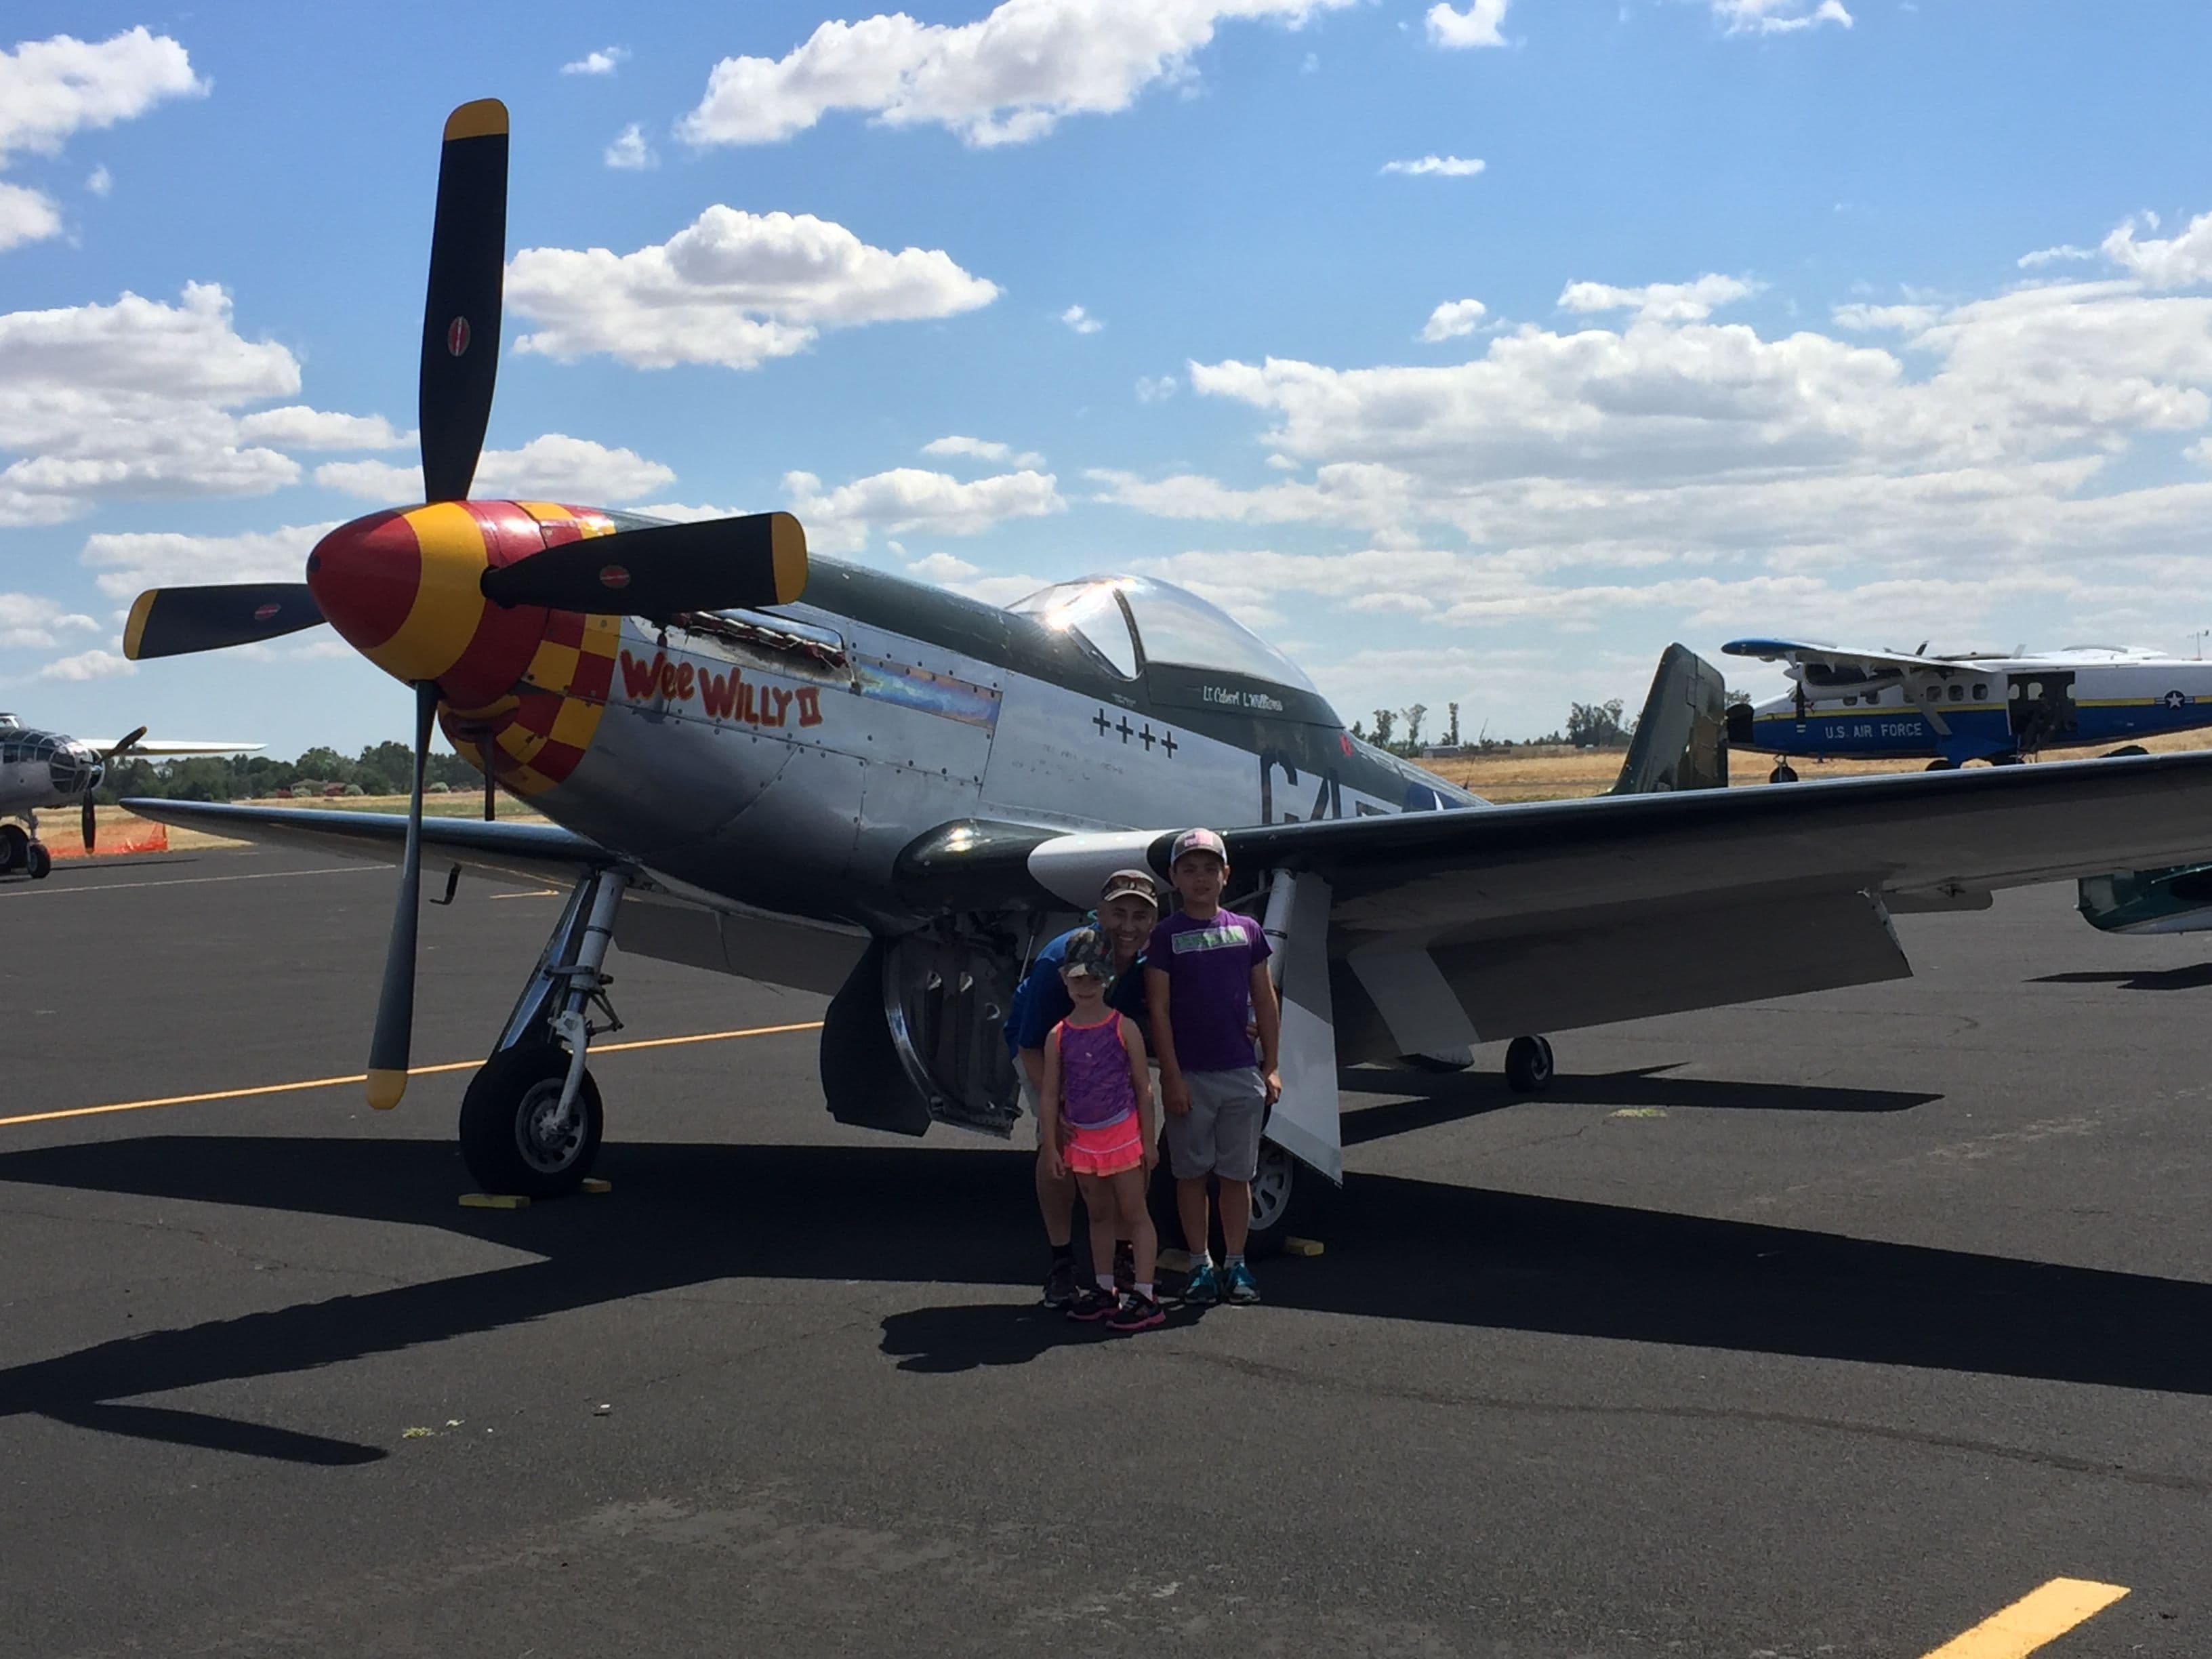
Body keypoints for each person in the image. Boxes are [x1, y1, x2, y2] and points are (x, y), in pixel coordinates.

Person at [1007, 869, 1161, 1306]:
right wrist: (1056, 1112)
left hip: (1109, 1045)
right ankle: (1061, 1260)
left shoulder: (1149, 962)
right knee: (1060, 1146)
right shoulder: (1061, 960)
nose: (1128, 926)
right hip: (1049, 1048)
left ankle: (1121, 1254)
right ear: (1099, 913)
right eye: (1118, 913)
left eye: (1140, 916)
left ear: (1152, 923)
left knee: (1125, 1146)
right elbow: (1031, 1044)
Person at [1145, 828, 1280, 1307]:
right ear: (1173, 878)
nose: (1200, 878)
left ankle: (1236, 1261)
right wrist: (1171, 1074)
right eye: (1189, 869)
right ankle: (1201, 1261)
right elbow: (1158, 1009)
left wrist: (1272, 1066)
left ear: (1225, 875)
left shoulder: (1247, 930)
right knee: (1191, 1175)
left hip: (1241, 1072)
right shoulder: (1165, 936)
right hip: (1192, 1077)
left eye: (1209, 869)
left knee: (1237, 1175)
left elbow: (1264, 998)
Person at [1036, 928, 1164, 1331]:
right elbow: (1051, 1093)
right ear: (1064, 980)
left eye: (1093, 978)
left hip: (1123, 1137)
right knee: (1098, 1215)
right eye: (1077, 978)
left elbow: (1144, 1087)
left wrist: (1149, 1140)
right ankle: (1105, 1288)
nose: (1085, 986)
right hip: (1083, 1140)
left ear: (1107, 978)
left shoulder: (1123, 1027)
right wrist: (1053, 1147)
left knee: (1134, 1212)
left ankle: (1145, 1293)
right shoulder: (1058, 1036)